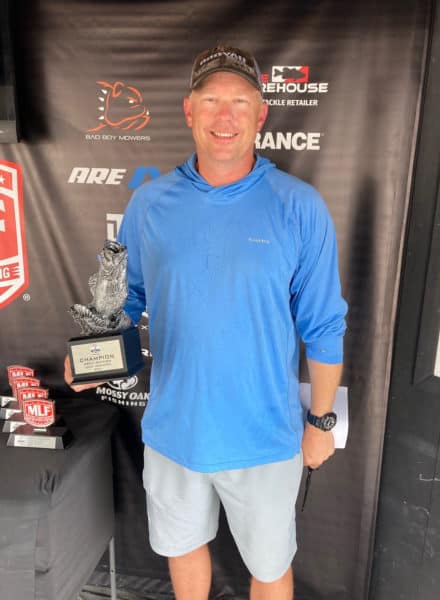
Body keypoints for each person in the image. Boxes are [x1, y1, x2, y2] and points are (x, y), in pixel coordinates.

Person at [65, 45, 347, 600]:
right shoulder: (150, 203)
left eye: (240, 102)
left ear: (261, 114)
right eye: (212, 100)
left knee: (270, 567)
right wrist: (95, 355)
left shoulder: (299, 206)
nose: (225, 116)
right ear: (189, 110)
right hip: (175, 432)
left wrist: (320, 422)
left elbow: (324, 326)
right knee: (182, 548)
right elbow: (125, 298)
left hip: (265, 437)